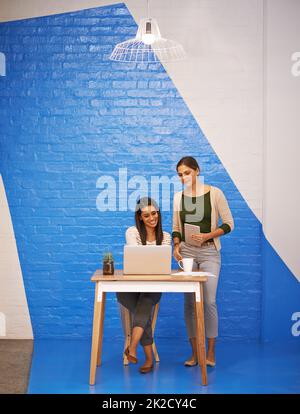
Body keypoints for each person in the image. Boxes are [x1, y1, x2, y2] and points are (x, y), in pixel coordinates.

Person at [172, 156, 234, 367]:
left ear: (197, 171)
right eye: (180, 175)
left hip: (209, 252)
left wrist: (208, 235)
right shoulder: (178, 197)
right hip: (188, 252)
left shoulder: (215, 193)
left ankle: (211, 352)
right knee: (189, 303)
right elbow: (175, 228)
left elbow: (229, 224)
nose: (184, 178)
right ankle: (195, 353)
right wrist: (176, 245)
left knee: (209, 301)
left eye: (187, 173)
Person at [117, 197, 171, 374]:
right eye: (146, 215)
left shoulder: (166, 236)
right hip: (130, 287)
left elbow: (161, 264)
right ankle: (147, 356)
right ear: (140, 217)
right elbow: (136, 255)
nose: (151, 218)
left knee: (145, 303)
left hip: (152, 286)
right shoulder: (132, 232)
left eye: (154, 214)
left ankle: (133, 348)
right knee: (144, 311)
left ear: (158, 214)